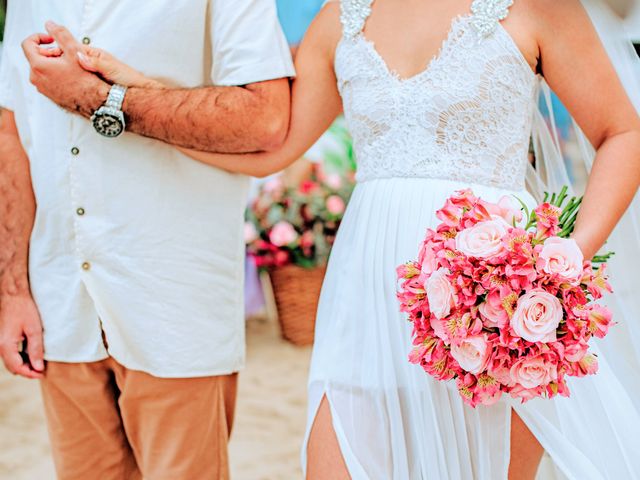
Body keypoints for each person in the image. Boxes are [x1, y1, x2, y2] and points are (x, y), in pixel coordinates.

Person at [18, 0, 640, 478]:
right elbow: (270, 146)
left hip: (496, 304)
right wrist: (123, 99)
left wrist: (562, 262)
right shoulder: (343, 15)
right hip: (368, 297)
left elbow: (622, 133)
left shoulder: (536, 6)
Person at [0, 1, 294, 479]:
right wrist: (12, 289)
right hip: (60, 301)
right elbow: (11, 130)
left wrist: (99, 98)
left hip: (173, 299)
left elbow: (263, 118)